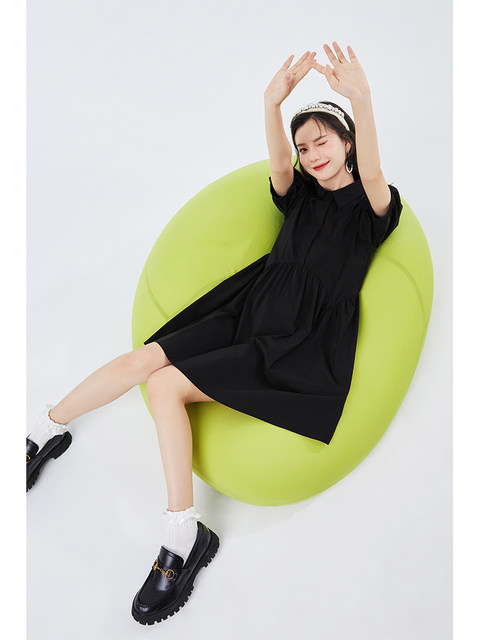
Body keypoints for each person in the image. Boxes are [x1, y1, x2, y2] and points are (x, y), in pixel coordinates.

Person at [27, 43, 402, 625]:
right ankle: (43, 432)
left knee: (164, 386)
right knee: (143, 361)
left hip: (295, 341)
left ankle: (183, 536)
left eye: (323, 142)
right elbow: (280, 166)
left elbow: (373, 174)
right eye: (305, 147)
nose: (312, 155)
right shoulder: (299, 193)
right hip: (248, 305)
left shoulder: (371, 207)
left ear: (348, 142)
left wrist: (362, 97)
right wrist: (271, 103)